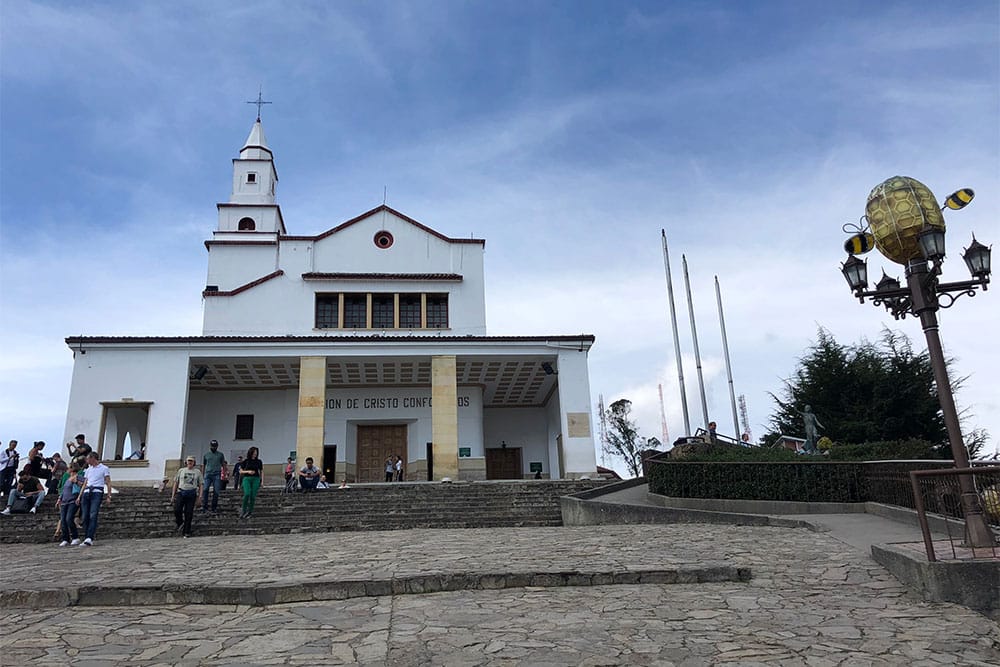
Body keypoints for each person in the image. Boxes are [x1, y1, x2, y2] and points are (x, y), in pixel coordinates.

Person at [76, 452, 112, 546]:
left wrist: (109, 495)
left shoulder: (104, 468)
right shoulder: (88, 470)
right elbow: (85, 483)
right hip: (87, 492)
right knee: (85, 516)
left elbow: (108, 482)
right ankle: (87, 536)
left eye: (88, 459)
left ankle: (89, 537)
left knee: (93, 514)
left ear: (93, 458)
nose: (87, 461)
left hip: (97, 492)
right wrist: (79, 496)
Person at [172, 456, 204, 538]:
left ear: (194, 462)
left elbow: (201, 485)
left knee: (189, 513)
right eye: (188, 461)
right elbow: (176, 482)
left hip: (191, 493)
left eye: (192, 461)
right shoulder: (181, 470)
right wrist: (173, 495)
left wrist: (200, 497)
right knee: (177, 509)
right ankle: (180, 523)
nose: (190, 462)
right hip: (181, 492)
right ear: (186, 462)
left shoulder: (197, 472)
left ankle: (186, 531)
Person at [55, 463, 82, 546]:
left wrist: (77, 482)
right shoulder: (68, 479)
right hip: (64, 502)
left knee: (69, 518)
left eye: (69, 467)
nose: (67, 469)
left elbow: (83, 484)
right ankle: (65, 538)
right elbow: (64, 490)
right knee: (63, 520)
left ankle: (75, 537)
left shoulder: (77, 477)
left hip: (72, 501)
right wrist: (59, 499)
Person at [201, 439, 226, 514]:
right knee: (205, 490)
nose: (213, 448)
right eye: (212, 446)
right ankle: (205, 507)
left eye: (215, 446)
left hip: (217, 474)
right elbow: (204, 465)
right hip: (208, 474)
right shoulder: (206, 455)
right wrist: (202, 475)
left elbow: (223, 464)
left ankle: (213, 507)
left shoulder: (220, 455)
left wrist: (224, 474)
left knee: (216, 491)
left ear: (217, 446)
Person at [238, 446, 263, 519]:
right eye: (254, 452)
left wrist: (262, 481)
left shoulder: (259, 461)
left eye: (256, 452)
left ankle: (250, 511)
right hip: (247, 478)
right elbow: (240, 471)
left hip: (256, 479)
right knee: (247, 493)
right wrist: (248, 471)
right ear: (251, 452)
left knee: (253, 496)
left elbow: (261, 471)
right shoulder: (246, 461)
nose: (255, 454)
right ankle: (244, 510)